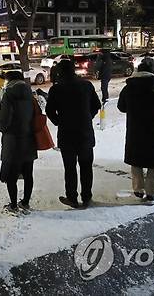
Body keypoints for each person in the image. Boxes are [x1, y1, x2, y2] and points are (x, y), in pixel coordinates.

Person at [46, 60, 101, 209]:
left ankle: (72, 197)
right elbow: (97, 105)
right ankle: (87, 196)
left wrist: (59, 121)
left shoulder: (56, 89)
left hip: (67, 134)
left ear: (59, 72)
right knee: (86, 166)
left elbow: (49, 111)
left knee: (70, 168)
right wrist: (88, 116)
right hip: (85, 133)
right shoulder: (86, 85)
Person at [118, 62, 154, 202]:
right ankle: (151, 192)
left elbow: (121, 107)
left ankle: (138, 189)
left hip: (134, 128)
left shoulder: (128, 88)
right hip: (153, 129)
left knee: (136, 159)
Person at [0, 71, 37, 213]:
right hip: (29, 138)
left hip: (13, 140)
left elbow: (4, 118)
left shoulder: (8, 94)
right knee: (28, 173)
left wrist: (3, 128)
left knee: (11, 175)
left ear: (10, 80)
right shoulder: (29, 94)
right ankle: (25, 202)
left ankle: (13, 205)